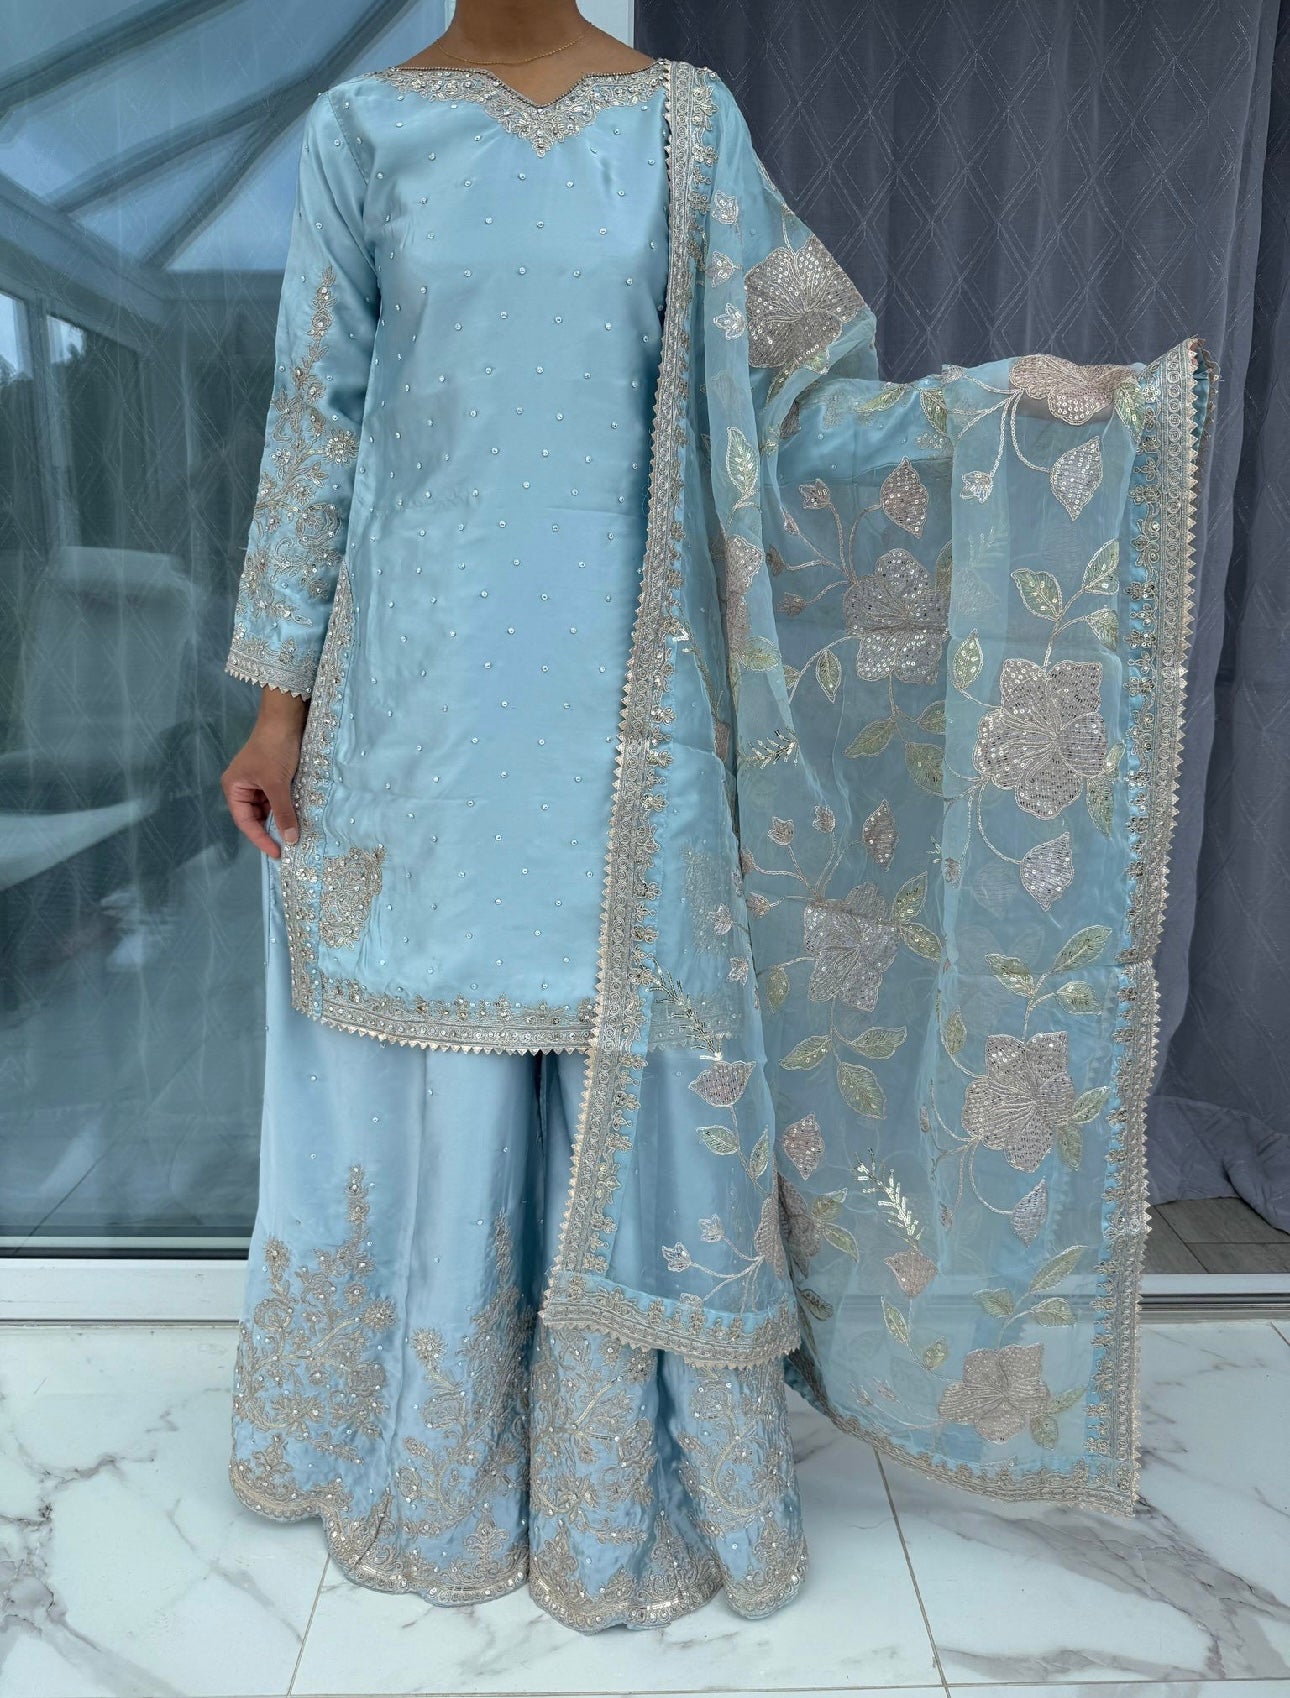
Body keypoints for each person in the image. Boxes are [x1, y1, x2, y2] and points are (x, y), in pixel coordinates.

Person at [220, 0, 1216, 1633]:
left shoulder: (686, 126)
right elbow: (314, 416)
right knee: (455, 1035)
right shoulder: (362, 133)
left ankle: (621, 1467)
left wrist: (1005, 429)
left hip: (636, 693)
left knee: (626, 1036)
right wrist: (280, 701)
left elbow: (799, 401)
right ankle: (443, 1448)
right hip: (418, 687)